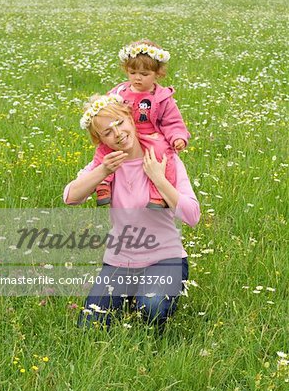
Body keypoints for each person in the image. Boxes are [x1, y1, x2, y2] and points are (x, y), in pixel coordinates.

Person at [64, 94, 200, 329]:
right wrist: (103, 171)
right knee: (90, 324)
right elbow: (70, 197)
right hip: (120, 261)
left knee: (152, 309)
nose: (117, 133)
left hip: (165, 258)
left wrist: (159, 179)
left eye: (120, 123)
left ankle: (146, 294)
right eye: (107, 132)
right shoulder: (107, 163)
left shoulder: (164, 158)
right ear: (100, 140)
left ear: (131, 119)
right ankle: (131, 292)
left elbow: (192, 216)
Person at [84, 39, 190, 209]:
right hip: (124, 133)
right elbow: (107, 109)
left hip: (150, 137)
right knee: (103, 150)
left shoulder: (162, 97)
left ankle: (158, 195)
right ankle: (103, 184)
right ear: (126, 70)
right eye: (133, 73)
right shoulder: (119, 92)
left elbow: (173, 121)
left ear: (158, 73)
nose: (138, 78)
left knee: (165, 156)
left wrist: (177, 136)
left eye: (144, 74)